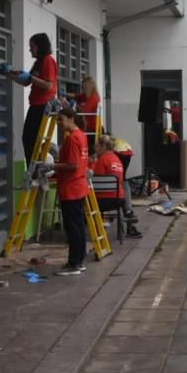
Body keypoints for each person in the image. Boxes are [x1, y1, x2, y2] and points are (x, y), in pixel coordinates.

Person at [51, 107, 90, 276]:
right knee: (78, 226)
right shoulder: (81, 136)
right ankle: (79, 260)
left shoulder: (73, 139)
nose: (59, 123)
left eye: (61, 119)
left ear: (71, 118)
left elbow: (73, 165)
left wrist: (53, 165)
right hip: (79, 187)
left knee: (73, 227)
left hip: (71, 188)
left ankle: (74, 263)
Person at [8, 33, 58, 161]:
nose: (30, 49)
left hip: (43, 105)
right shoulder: (38, 63)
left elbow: (48, 85)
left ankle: (34, 169)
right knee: (28, 138)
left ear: (40, 47)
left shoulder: (48, 60)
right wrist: (11, 74)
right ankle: (33, 168)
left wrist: (30, 77)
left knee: (31, 138)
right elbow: (26, 82)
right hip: (35, 105)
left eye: (32, 47)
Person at [93, 134, 142, 238]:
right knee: (123, 185)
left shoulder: (102, 160)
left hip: (101, 200)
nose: (95, 149)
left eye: (97, 146)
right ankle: (129, 215)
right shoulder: (117, 160)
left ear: (103, 146)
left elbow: (95, 181)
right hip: (118, 200)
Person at [65, 75, 101, 141]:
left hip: (91, 130)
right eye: (82, 87)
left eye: (84, 88)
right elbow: (75, 96)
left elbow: (85, 110)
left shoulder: (94, 98)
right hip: (85, 128)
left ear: (90, 87)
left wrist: (73, 105)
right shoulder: (84, 96)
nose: (83, 90)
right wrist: (64, 94)